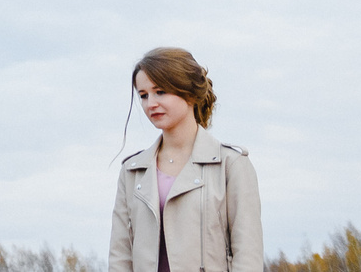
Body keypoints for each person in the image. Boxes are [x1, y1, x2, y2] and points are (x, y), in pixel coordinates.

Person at [109, 47, 262, 272]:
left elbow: (248, 255)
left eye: (160, 91)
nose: (150, 103)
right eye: (143, 95)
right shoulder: (132, 171)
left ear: (189, 92)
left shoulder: (232, 165)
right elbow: (120, 256)